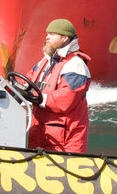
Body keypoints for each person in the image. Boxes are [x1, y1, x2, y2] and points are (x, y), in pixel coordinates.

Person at [25, 19, 91, 153]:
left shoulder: (76, 65)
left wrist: (33, 96)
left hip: (65, 144)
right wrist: (1, 85)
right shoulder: (45, 61)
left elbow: (64, 101)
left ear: (64, 38)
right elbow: (26, 81)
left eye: (52, 34)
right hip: (41, 135)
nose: (46, 37)